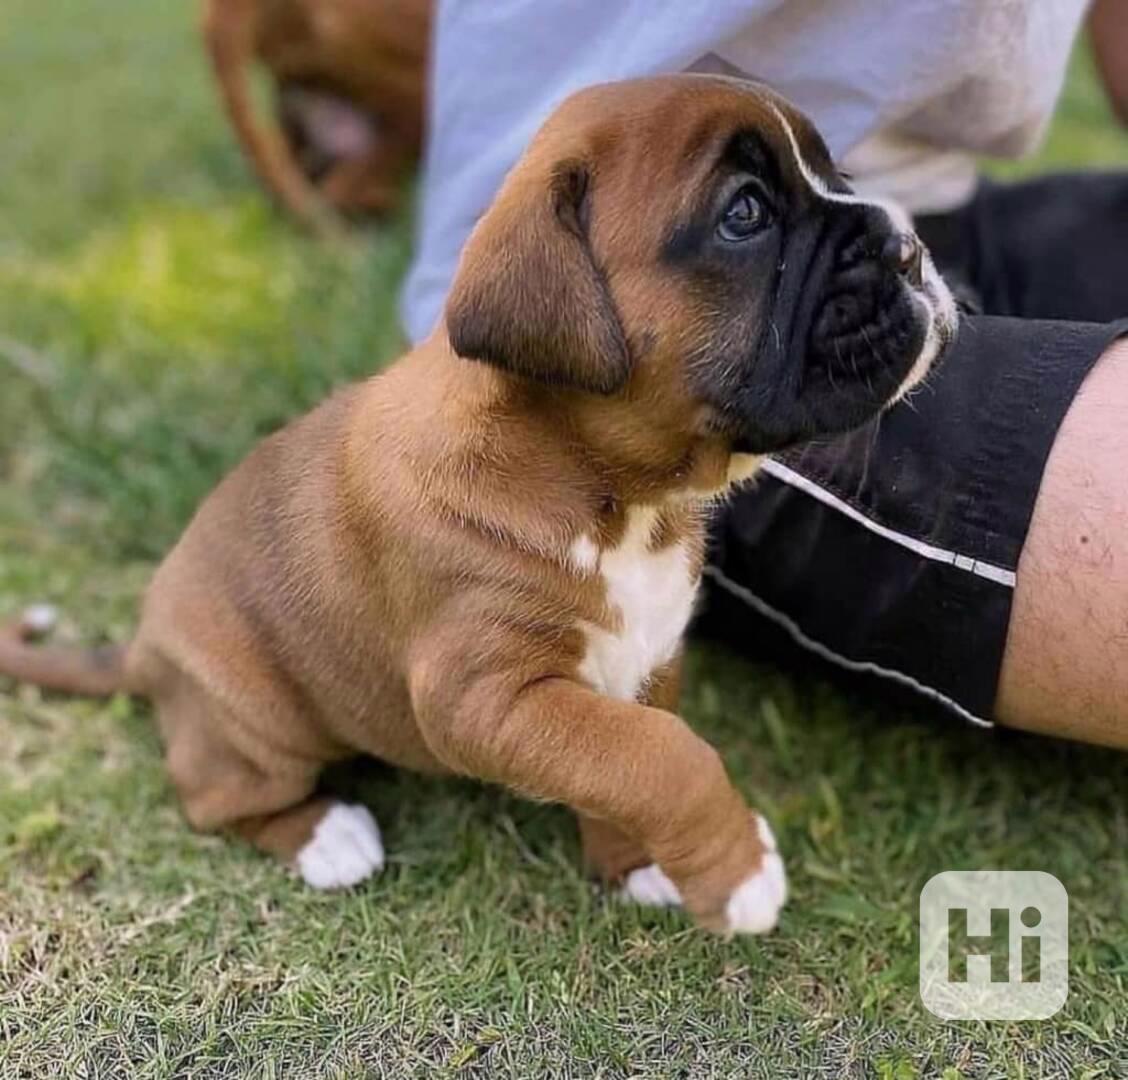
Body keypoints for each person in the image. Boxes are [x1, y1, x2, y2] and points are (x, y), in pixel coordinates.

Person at [401, 1, 1128, 748]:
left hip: (915, 203)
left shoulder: (861, 226)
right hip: (667, 361)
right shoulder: (563, 277)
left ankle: (791, 196)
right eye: (742, 213)